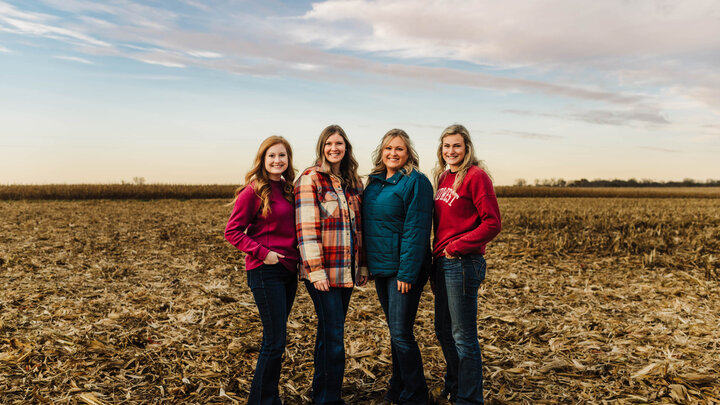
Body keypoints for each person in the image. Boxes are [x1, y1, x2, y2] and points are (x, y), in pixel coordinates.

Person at [295, 124, 369, 405]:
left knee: (329, 333)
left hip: (346, 272)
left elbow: (358, 229)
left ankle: (320, 390)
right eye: (329, 144)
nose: (334, 148)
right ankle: (329, 398)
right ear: (321, 147)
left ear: (346, 147)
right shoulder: (310, 179)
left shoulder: (353, 182)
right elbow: (306, 229)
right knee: (335, 337)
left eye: (339, 143)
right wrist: (315, 271)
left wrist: (362, 268)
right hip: (323, 273)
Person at [224, 136, 300, 405]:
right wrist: (263, 253)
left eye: (282, 155)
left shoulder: (290, 189)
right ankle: (262, 400)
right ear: (263, 160)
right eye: (272, 156)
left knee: (277, 339)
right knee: (274, 341)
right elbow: (231, 231)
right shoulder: (254, 191)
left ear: (288, 159)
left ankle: (268, 397)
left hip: (289, 272)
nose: (277, 160)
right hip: (265, 271)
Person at [431, 124, 502, 405]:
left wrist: (457, 247)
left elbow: (493, 223)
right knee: (443, 330)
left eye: (456, 146)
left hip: (462, 262)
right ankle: (456, 386)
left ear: (467, 148)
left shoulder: (476, 177)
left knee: (462, 335)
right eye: (446, 146)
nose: (451, 151)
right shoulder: (442, 178)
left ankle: (470, 399)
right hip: (442, 263)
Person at [362, 129, 434, 405]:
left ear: (408, 153)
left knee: (401, 333)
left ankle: (416, 395)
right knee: (395, 332)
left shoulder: (416, 182)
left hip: (403, 271)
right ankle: (397, 388)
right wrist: (366, 265)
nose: (393, 153)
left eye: (399, 149)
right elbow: (369, 226)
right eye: (388, 148)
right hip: (382, 267)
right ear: (382, 152)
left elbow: (416, 230)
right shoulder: (376, 181)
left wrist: (407, 272)